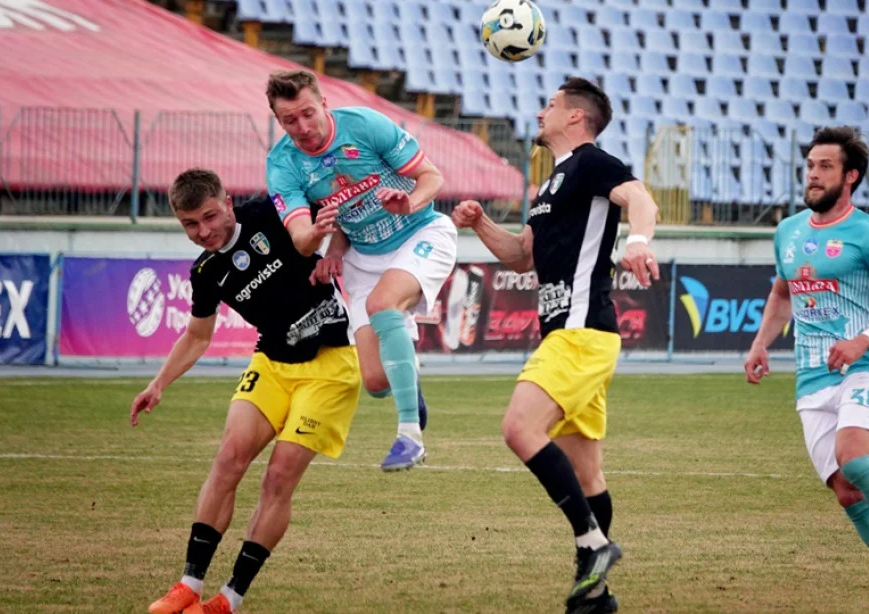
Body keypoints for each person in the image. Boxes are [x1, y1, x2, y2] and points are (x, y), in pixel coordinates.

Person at [453, 77, 660, 614]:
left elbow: (640, 198)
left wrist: (639, 240)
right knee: (587, 475)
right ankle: (595, 594)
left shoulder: (591, 162)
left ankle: (594, 545)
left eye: (550, 105)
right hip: (576, 335)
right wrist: (480, 224)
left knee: (519, 428)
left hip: (580, 332)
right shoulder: (550, 183)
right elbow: (522, 256)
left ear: (575, 117)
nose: (540, 112)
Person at [131, 169, 360, 614]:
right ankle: (189, 584)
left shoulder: (273, 211)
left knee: (277, 479)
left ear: (228, 204)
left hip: (331, 365)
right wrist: (158, 383)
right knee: (228, 459)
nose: (203, 232)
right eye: (190, 224)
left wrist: (332, 252)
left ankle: (229, 598)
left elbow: (345, 213)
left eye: (209, 217)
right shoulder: (206, 271)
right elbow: (197, 335)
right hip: (271, 363)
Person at [744, 127, 869, 614]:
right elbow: (782, 293)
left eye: (825, 167)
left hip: (865, 369)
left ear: (850, 176)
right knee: (846, 493)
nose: (813, 176)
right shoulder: (788, 231)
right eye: (810, 166)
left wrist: (864, 340)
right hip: (811, 379)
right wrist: (760, 344)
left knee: (855, 458)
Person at [265, 69, 457, 472]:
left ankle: (410, 437)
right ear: (278, 120)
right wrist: (318, 234)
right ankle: (408, 375)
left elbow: (432, 177)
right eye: (289, 120)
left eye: (308, 113)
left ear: (324, 104)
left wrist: (410, 201)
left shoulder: (365, 125)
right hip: (364, 258)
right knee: (375, 382)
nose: (302, 127)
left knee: (382, 304)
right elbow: (301, 240)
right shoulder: (282, 164)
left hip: (420, 233)